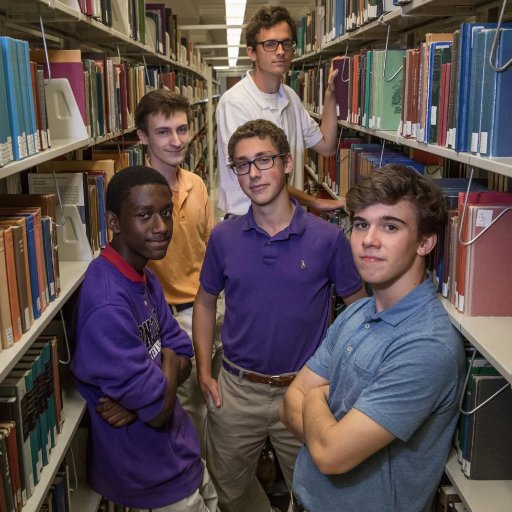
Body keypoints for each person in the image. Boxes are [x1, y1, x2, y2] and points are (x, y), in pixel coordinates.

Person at [193, 120, 365, 512]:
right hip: (236, 390)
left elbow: (357, 308)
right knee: (227, 497)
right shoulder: (224, 237)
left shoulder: (328, 240)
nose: (253, 174)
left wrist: (342, 373)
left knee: (313, 497)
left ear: (287, 163)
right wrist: (205, 370)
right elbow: (205, 302)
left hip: (306, 391)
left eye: (264, 160)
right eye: (242, 165)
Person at [280, 164, 466, 512]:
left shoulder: (426, 345)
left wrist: (314, 398)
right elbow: (287, 404)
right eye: (362, 224)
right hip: (303, 499)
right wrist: (320, 420)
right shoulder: (356, 312)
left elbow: (330, 456)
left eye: (390, 226)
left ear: (425, 242)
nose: (369, 240)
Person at [70, 166, 218, 511]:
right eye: (144, 215)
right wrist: (166, 365)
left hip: (184, 459)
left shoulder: (144, 276)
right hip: (151, 479)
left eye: (166, 212)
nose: (162, 226)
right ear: (114, 222)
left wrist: (155, 386)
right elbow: (156, 411)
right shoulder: (107, 303)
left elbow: (184, 354)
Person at [135, 90, 221, 448]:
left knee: (213, 409)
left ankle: (214, 496)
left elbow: (211, 248)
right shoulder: (133, 195)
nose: (177, 140)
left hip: (209, 312)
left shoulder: (197, 184)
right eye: (163, 131)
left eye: (182, 129)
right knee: (182, 417)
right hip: (165, 322)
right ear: (142, 137)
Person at [216, 4, 343, 217]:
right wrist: (315, 202)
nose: (281, 51)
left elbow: (327, 146)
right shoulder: (235, 103)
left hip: (285, 217)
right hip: (248, 219)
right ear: (251, 52)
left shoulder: (290, 96)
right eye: (270, 44)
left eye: (286, 43)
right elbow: (261, 176)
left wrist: (330, 96)